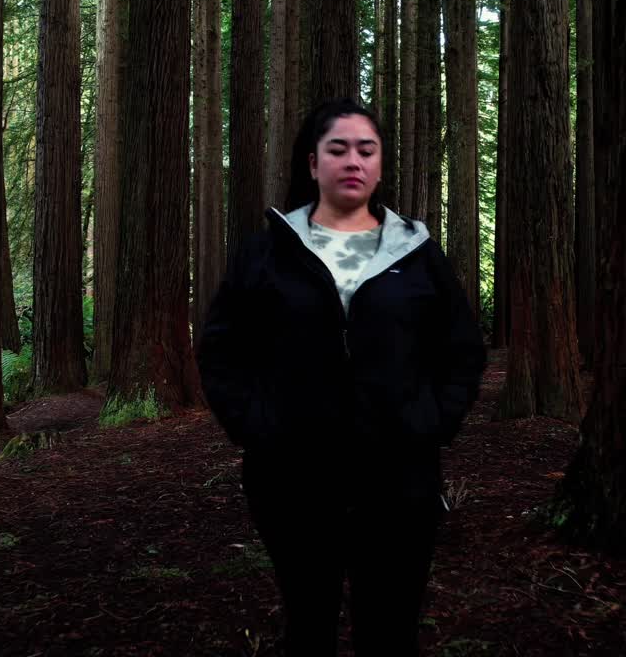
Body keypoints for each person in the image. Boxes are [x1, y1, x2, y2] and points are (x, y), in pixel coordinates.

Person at [197, 98, 486, 656]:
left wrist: (431, 421)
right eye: (338, 148)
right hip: (292, 480)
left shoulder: (419, 255)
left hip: (400, 480)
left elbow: (462, 351)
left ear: (379, 167)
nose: (352, 159)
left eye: (366, 149)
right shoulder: (266, 255)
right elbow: (221, 352)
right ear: (312, 164)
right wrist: (258, 427)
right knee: (309, 625)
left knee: (392, 629)